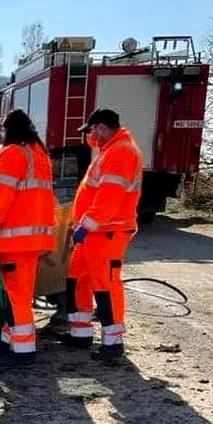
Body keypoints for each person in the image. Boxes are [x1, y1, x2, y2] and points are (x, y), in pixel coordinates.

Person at [57, 108, 143, 362]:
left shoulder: (121, 153)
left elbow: (108, 200)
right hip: (97, 232)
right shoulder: (111, 151)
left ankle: (113, 341)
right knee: (77, 278)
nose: (89, 136)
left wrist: (87, 226)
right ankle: (80, 332)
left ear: (102, 128)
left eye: (91, 130)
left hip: (107, 232)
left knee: (105, 284)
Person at [0, 109, 56, 368]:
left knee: (16, 297)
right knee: (22, 293)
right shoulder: (39, 155)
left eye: (2, 129)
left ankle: (22, 350)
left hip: (14, 240)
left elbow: (1, 198)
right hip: (35, 240)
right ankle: (9, 341)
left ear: (9, 130)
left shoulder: (13, 154)